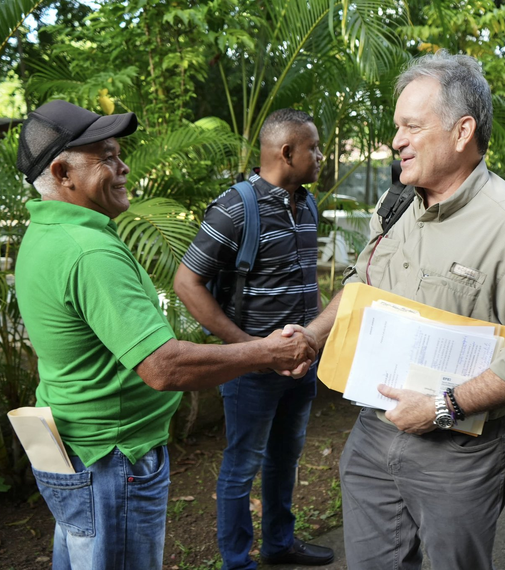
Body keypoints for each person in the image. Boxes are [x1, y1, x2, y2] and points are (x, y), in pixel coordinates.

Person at [13, 100, 316, 570]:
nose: (123, 165)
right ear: (63, 172)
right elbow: (162, 365)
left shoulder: (46, 234)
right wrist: (266, 352)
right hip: (114, 459)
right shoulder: (88, 251)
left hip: (79, 448)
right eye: (107, 157)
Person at [303, 51, 505, 570]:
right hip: (373, 434)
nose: (396, 140)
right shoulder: (402, 205)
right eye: (396, 127)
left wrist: (442, 407)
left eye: (410, 126)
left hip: (459, 451)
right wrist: (313, 337)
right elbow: (362, 283)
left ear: (461, 131)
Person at [172, 108, 333, 569]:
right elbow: (187, 283)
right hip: (252, 371)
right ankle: (237, 561)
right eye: (314, 148)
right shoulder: (235, 207)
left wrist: (315, 334)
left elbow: (304, 281)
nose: (320, 156)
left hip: (301, 364)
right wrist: (248, 349)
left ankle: (280, 545)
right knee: (242, 465)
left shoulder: (307, 203)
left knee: (286, 458)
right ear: (286, 152)